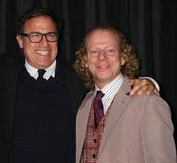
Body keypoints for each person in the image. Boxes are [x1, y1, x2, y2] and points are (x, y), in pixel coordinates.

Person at [0, 8, 159, 163]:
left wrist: (149, 83)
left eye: (50, 35)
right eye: (34, 36)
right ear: (20, 41)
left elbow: (111, 82)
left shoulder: (76, 79)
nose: (44, 44)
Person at [74, 25, 176, 163]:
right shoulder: (84, 106)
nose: (102, 57)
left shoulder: (149, 102)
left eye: (110, 50)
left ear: (123, 57)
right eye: (94, 51)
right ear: (85, 60)